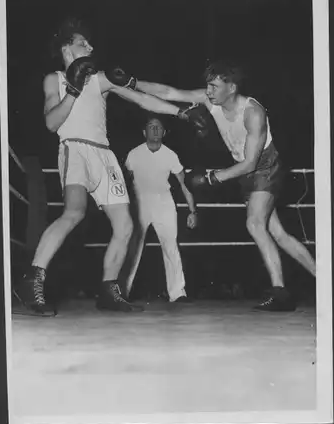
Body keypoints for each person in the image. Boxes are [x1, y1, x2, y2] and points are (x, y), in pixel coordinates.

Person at [19, 17, 204, 315]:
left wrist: (180, 113)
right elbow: (52, 123)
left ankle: (109, 290)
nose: (91, 46)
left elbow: (143, 99)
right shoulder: (54, 79)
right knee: (74, 212)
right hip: (75, 149)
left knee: (126, 225)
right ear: (68, 49)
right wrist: (74, 90)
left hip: (104, 155)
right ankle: (34, 278)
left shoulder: (100, 78)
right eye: (83, 43)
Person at [128, 59, 316, 311]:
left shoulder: (253, 113)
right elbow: (170, 93)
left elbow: (251, 164)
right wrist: (133, 82)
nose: (208, 92)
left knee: (254, 223)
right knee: (278, 234)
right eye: (208, 86)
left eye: (215, 86)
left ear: (232, 87)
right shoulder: (210, 100)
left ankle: (280, 292)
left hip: (265, 168)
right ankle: (323, 278)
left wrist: (211, 177)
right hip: (244, 171)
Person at [122, 116, 198, 302]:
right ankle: (122, 292)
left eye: (159, 127)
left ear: (164, 133)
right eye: (151, 127)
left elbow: (184, 183)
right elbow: (123, 182)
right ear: (144, 132)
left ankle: (178, 293)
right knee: (132, 248)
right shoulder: (133, 154)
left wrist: (192, 210)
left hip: (164, 203)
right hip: (139, 204)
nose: (155, 130)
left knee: (171, 247)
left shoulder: (171, 155)